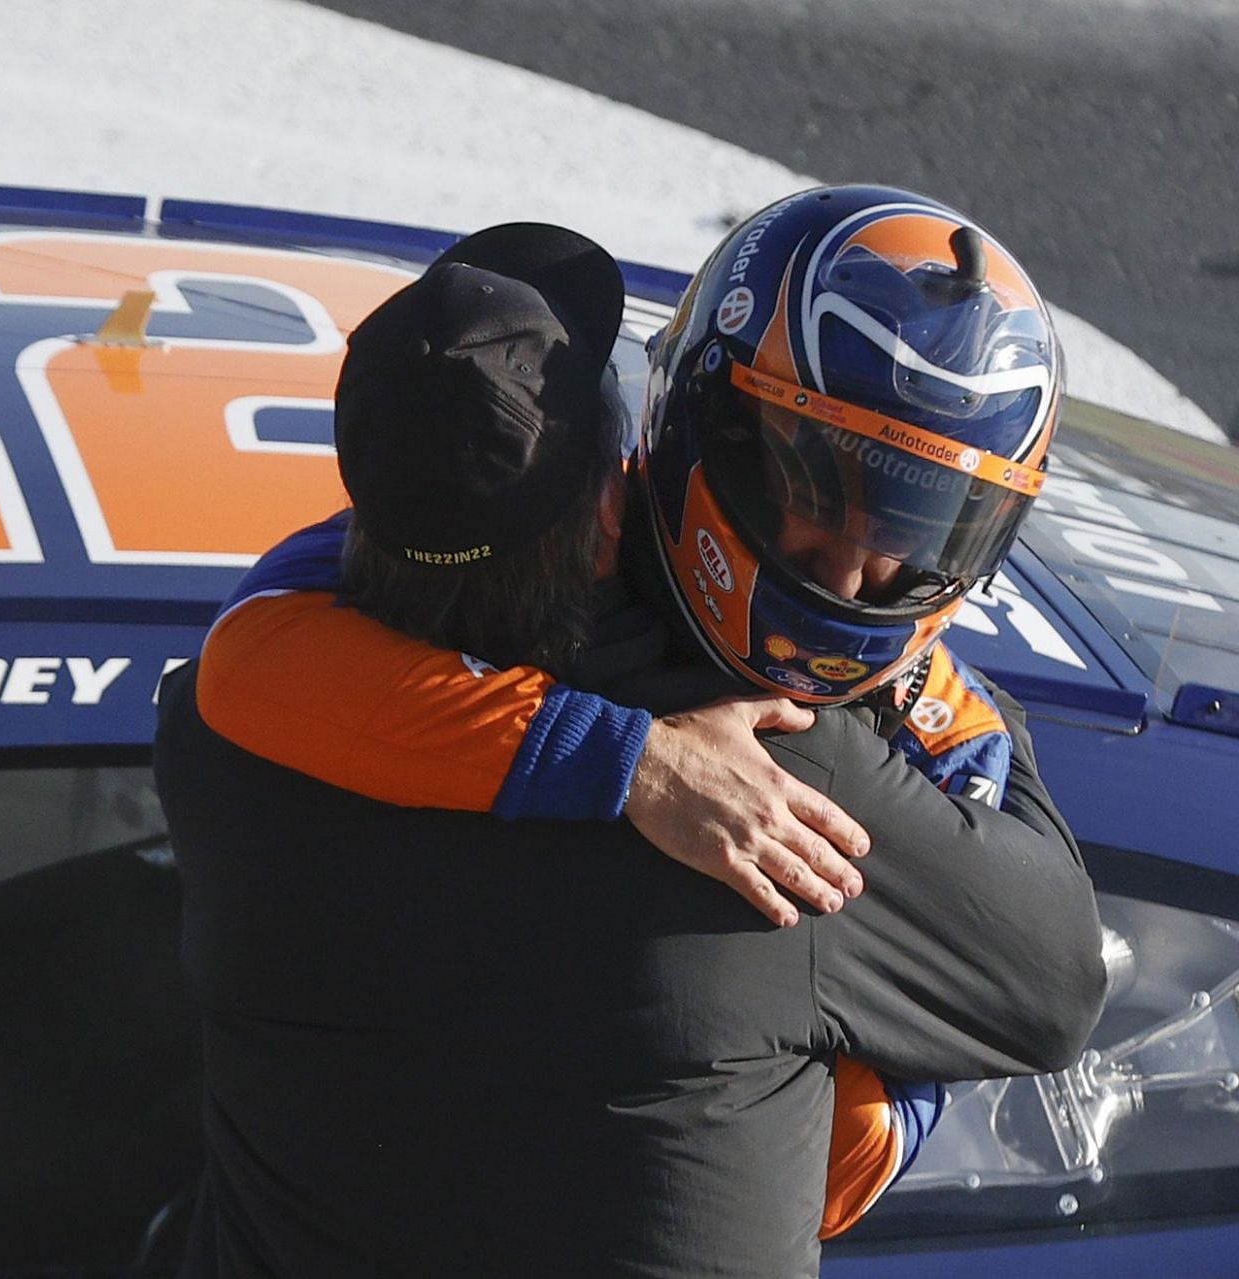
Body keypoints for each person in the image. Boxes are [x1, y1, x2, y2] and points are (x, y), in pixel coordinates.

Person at [154, 191, 1105, 1277]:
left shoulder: (226, 751)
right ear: (616, 497)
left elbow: (251, 650)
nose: (854, 566)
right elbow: (1054, 987)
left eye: (911, 520)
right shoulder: (778, 777)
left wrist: (616, 758)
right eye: (814, 483)